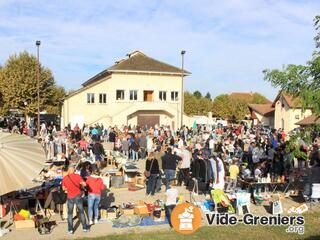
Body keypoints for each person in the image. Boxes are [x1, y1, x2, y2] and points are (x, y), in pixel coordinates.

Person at [62, 165, 89, 234]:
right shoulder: (77, 176)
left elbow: (63, 188)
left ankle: (70, 230)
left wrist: (68, 189)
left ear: (69, 170)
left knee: (70, 214)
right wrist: (83, 184)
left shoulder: (65, 178)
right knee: (81, 212)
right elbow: (84, 184)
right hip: (78, 196)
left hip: (70, 197)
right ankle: (85, 228)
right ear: (73, 170)